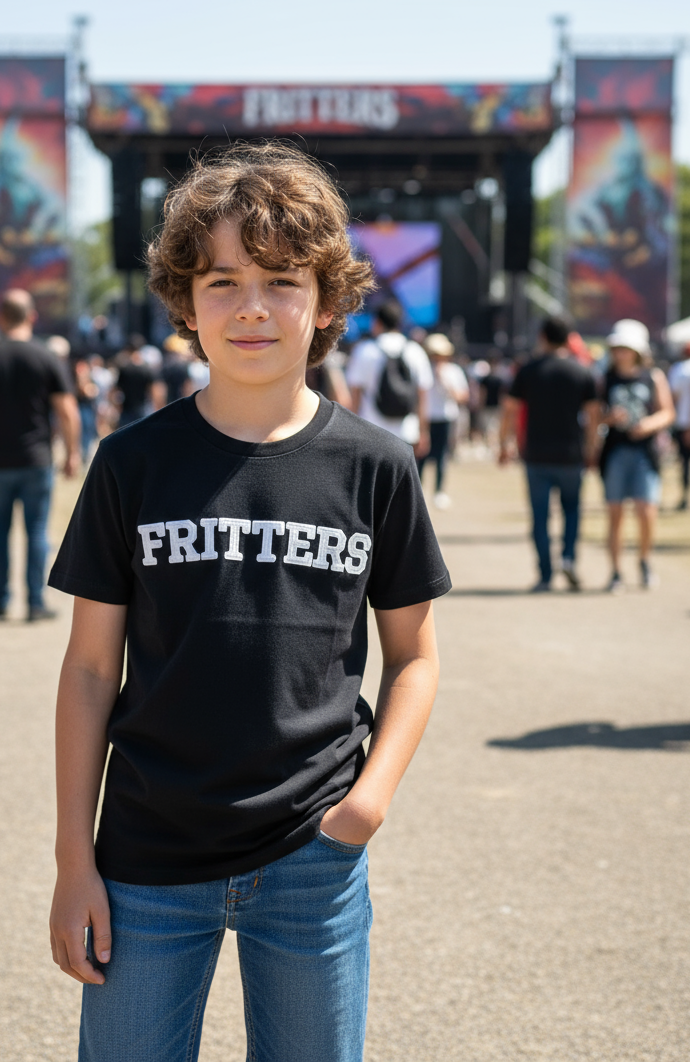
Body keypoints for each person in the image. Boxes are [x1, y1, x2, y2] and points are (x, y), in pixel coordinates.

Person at [46, 142, 451, 1062]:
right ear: (185, 302)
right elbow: (87, 670)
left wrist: (369, 804)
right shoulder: (133, 464)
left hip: (315, 854)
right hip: (144, 854)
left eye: (281, 279)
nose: (254, 307)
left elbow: (416, 657)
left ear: (329, 300)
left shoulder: (377, 467)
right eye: (222, 281)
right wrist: (76, 860)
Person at [0, 289, 81, 621]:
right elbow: (67, 411)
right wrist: (72, 452)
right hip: (36, 458)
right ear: (32, 316)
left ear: (0, 317)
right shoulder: (46, 356)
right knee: (37, 530)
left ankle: (0, 600)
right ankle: (35, 603)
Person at [500, 316, 600, 592]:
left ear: (543, 336)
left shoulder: (529, 370)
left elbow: (509, 409)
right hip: (571, 454)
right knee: (572, 511)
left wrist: (503, 445)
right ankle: (568, 558)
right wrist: (592, 448)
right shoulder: (582, 372)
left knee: (540, 517)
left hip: (536, 454)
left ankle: (545, 574)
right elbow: (593, 415)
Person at [599, 319, 675, 593]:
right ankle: (616, 571)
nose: (621, 353)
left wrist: (649, 425)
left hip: (645, 453)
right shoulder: (605, 377)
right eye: (617, 347)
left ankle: (644, 560)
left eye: (626, 348)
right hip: (616, 451)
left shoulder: (653, 376)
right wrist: (609, 418)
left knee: (646, 510)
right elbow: (595, 415)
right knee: (615, 512)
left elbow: (667, 412)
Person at [345, 301, 432, 457]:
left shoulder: (365, 351)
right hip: (407, 433)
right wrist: (423, 431)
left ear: (377, 323)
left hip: (371, 432)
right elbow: (422, 396)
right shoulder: (415, 351)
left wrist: (352, 433)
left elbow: (355, 398)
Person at [417, 334, 469, 508]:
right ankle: (418, 492)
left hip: (445, 418)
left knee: (441, 456)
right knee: (420, 456)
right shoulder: (422, 369)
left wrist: (446, 383)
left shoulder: (453, 371)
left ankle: (439, 491)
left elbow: (463, 396)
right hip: (426, 417)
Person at [668, 342, 690, 510]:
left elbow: (674, 395)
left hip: (684, 420)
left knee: (685, 462)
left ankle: (685, 498)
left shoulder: (679, 369)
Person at [112, 335, 165, 428]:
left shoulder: (124, 369)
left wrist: (116, 407)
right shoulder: (147, 369)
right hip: (143, 409)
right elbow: (155, 391)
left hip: (127, 409)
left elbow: (115, 391)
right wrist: (158, 408)